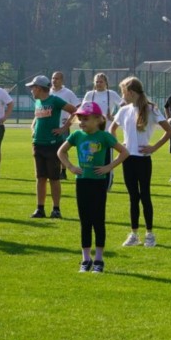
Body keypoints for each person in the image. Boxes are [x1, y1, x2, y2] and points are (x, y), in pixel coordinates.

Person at [58, 101, 129, 273]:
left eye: (86, 119)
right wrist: (71, 167)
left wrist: (108, 167)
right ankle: (85, 259)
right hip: (82, 182)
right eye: (80, 119)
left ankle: (98, 259)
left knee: (98, 220)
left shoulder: (104, 136)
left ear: (98, 119)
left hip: (98, 183)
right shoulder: (76, 136)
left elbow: (124, 152)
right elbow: (61, 152)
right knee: (85, 221)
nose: (82, 122)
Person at [111, 76, 171, 247]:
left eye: (123, 92)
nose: (122, 95)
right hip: (127, 159)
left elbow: (169, 131)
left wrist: (154, 148)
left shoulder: (151, 109)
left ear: (130, 92)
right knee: (133, 197)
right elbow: (112, 129)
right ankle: (134, 234)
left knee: (145, 195)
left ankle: (150, 234)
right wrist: (120, 146)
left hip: (143, 160)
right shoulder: (124, 110)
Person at [28, 75, 77, 219]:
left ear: (39, 88)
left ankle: (56, 209)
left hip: (52, 145)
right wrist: (33, 129)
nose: (31, 90)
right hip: (38, 144)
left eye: (33, 87)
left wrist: (64, 128)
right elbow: (37, 118)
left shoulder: (54, 100)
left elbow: (74, 110)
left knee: (54, 178)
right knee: (40, 177)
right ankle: (40, 208)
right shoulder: (37, 102)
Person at [50, 71, 80, 180]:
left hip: (62, 127)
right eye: (53, 78)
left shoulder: (68, 93)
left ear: (62, 80)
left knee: (63, 149)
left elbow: (77, 108)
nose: (54, 80)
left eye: (57, 78)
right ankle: (53, 171)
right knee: (50, 151)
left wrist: (65, 126)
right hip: (50, 127)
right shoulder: (48, 92)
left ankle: (63, 171)